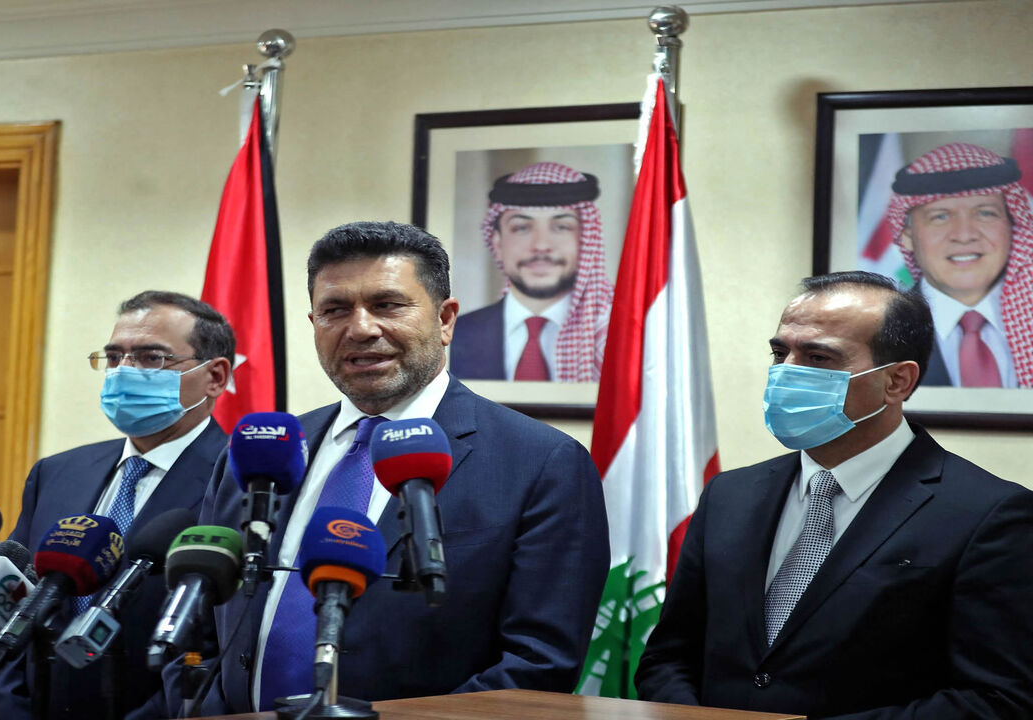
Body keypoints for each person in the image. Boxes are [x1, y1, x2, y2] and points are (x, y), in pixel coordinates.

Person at [132, 221, 609, 717]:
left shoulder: (541, 462)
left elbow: (538, 664)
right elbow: (200, 627)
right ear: (313, 323)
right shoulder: (259, 452)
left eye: (387, 305)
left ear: (445, 320)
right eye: (335, 310)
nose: (360, 328)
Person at [634, 271, 1033, 718]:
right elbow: (668, 656)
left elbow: (996, 700)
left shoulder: (988, 514)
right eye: (780, 352)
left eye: (819, 357)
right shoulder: (730, 494)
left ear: (897, 381)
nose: (785, 373)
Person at [0, 290, 233, 720]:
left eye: (152, 358)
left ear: (215, 376)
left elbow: (221, 647)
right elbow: (13, 608)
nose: (124, 372)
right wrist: (5, 706)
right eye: (114, 358)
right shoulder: (56, 473)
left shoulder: (239, 484)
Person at [450, 161, 614, 382]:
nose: (541, 245)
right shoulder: (454, 335)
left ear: (586, 241)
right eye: (522, 228)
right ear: (497, 243)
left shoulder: (616, 334)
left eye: (561, 227)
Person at [887, 141, 1033, 388]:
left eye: (985, 213)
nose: (964, 235)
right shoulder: (879, 329)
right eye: (940, 216)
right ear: (907, 237)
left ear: (1013, 226)